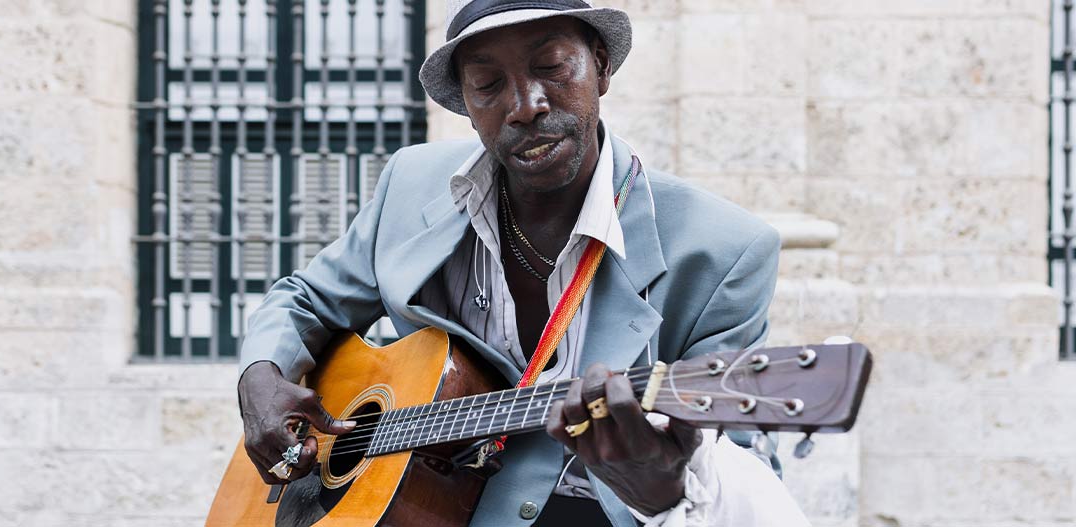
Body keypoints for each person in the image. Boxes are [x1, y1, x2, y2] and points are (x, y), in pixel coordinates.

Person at [237, 1, 811, 525]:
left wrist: (664, 493)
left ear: (601, 67)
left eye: (552, 67)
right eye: (488, 85)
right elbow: (305, 299)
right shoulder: (411, 184)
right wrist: (260, 374)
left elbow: (743, 475)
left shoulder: (724, 251)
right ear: (466, 105)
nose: (525, 106)